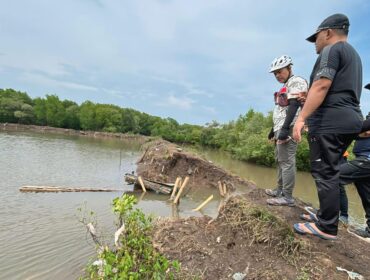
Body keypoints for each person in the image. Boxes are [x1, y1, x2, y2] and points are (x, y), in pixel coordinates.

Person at [292, 13, 363, 240]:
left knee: (325, 172)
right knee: (329, 169)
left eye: (317, 38)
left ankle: (327, 227)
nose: (316, 44)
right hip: (349, 118)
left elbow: (322, 84)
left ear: (328, 32)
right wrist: (309, 95)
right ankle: (326, 215)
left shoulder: (331, 50)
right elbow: (333, 89)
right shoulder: (353, 55)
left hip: (330, 122)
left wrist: (301, 118)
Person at [265, 55, 308, 206]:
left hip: (289, 127)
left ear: (289, 68)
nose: (277, 75)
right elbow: (281, 110)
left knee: (287, 161)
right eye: (275, 73)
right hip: (281, 127)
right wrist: (273, 130)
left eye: (280, 71)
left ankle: (288, 197)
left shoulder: (297, 81)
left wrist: (284, 129)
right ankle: (279, 190)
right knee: (280, 160)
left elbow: (294, 105)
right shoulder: (285, 86)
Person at [340, 83, 370, 238]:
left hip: (367, 159)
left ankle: (329, 217)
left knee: (333, 175)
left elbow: (364, 130)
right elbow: (362, 132)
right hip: (362, 157)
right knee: (367, 195)